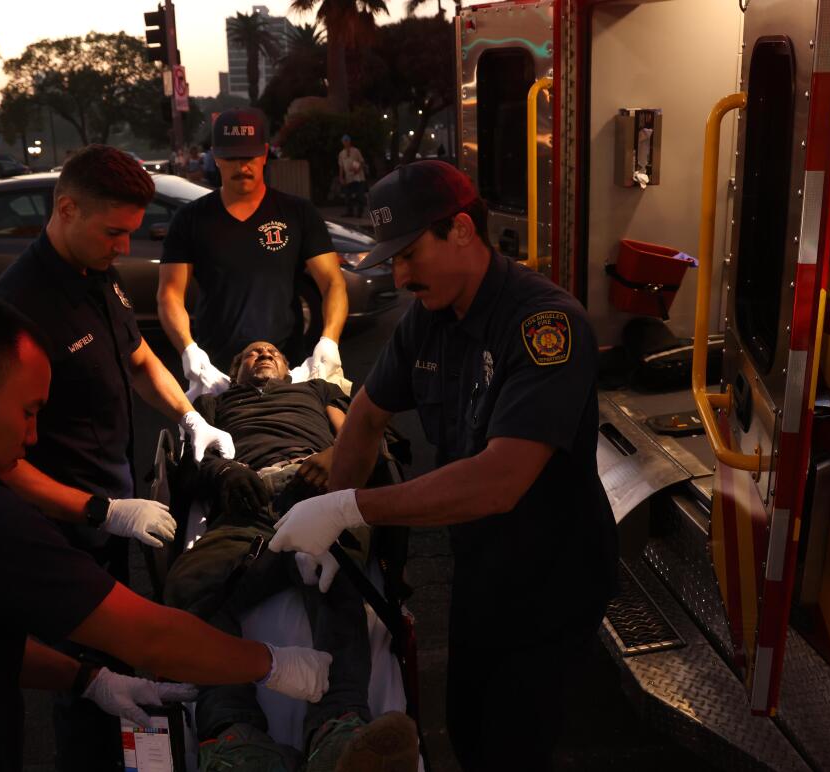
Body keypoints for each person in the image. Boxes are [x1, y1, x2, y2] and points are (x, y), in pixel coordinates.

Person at [0, 297, 332, 771]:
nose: (31, 437)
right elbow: (149, 638)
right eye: (28, 412)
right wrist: (275, 664)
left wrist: (86, 677)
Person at [268, 161, 619, 771]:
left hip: (551, 574)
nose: (400, 276)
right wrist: (339, 537)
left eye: (408, 256)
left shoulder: (542, 324)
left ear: (460, 230)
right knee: (464, 724)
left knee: (512, 744)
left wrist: (347, 507)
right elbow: (367, 417)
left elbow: (500, 481)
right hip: (481, 561)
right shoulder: (426, 323)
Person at [0, 144, 236, 770]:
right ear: (66, 209)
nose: (125, 247)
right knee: (89, 684)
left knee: (122, 666)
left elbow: (139, 357)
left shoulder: (95, 272)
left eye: (132, 233)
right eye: (115, 232)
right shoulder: (16, 309)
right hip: (59, 531)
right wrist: (99, 510)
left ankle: (136, 760)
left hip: (110, 516)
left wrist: (188, 415)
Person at [162, 340, 418, 771]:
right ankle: (233, 735)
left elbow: (363, 434)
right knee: (192, 587)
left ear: (287, 367)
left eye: (271, 352)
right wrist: (226, 473)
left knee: (338, 578)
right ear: (234, 368)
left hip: (318, 490)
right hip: (248, 499)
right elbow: (192, 460)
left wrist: (335, 458)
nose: (261, 353)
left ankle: (339, 729)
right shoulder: (214, 404)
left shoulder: (316, 390)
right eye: (249, 352)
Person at [156, 107, 348, 400]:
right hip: (216, 369)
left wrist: (329, 340)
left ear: (265, 154)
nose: (241, 166)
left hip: (287, 364)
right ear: (216, 156)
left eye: (249, 157)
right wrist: (189, 350)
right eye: (231, 158)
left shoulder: (298, 213)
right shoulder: (191, 219)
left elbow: (332, 282)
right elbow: (169, 293)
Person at [338, 134, 367, 218]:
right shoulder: (341, 153)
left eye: (347, 141)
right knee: (348, 195)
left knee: (359, 195)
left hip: (358, 177)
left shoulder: (356, 151)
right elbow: (341, 166)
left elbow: (361, 161)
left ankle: (359, 212)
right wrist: (341, 177)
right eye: (344, 141)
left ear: (349, 141)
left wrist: (357, 169)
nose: (346, 143)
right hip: (348, 177)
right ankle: (349, 211)